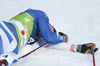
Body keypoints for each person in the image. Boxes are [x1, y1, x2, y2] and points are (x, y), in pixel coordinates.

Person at [0, 8, 98, 66]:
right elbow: (50, 38)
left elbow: (50, 43)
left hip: (8, 45)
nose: (52, 32)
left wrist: (78, 48)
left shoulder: (36, 36)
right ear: (49, 24)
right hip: (7, 32)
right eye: (53, 30)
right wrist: (63, 38)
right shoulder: (40, 15)